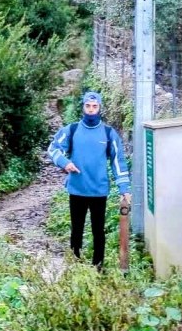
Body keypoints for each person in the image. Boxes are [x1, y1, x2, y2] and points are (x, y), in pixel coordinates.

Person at [47, 91, 131, 267]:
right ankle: (75, 266)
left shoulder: (108, 133)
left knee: (98, 231)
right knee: (76, 229)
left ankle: (98, 268)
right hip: (77, 189)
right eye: (88, 106)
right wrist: (65, 163)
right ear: (83, 106)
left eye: (95, 106)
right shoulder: (72, 130)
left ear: (100, 108)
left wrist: (124, 189)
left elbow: (118, 161)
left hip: (99, 191)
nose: (91, 109)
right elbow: (53, 149)